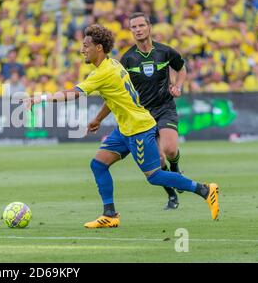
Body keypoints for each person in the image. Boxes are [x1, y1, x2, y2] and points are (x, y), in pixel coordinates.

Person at [23, 24, 219, 228]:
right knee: (98, 164)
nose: (82, 50)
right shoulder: (114, 64)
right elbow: (113, 98)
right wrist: (98, 119)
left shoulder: (102, 73)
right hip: (125, 129)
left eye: (86, 46)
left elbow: (74, 93)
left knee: (154, 176)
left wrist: (39, 98)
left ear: (99, 48)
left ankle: (204, 190)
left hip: (138, 129)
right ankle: (110, 214)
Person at [120, 12, 187, 210]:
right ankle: (172, 196)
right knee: (157, 161)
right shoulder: (128, 58)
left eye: (141, 25)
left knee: (170, 149)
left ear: (149, 27)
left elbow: (181, 69)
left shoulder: (165, 52)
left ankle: (175, 169)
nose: (138, 30)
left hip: (165, 107)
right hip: (142, 114)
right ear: (130, 30)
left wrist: (178, 86)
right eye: (134, 27)